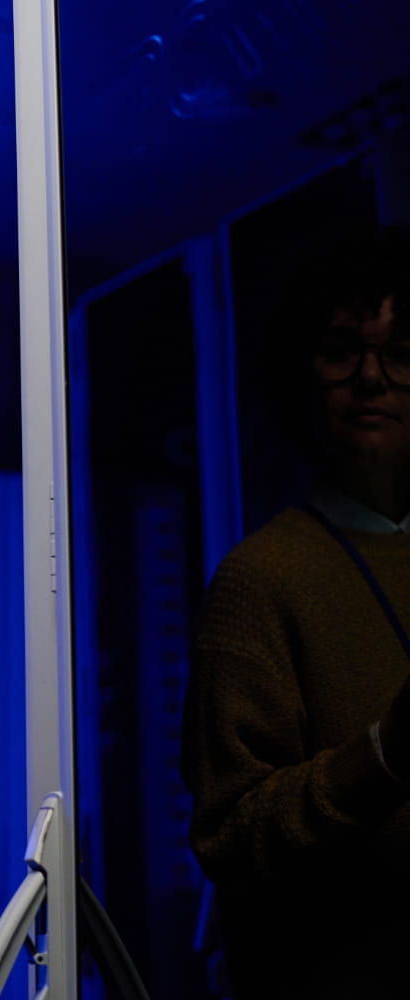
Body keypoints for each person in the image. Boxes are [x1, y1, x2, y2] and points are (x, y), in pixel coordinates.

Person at [182, 226, 410, 997]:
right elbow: (228, 834)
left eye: (401, 353)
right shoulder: (259, 580)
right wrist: (381, 758)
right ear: (302, 376)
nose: (372, 378)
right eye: (342, 349)